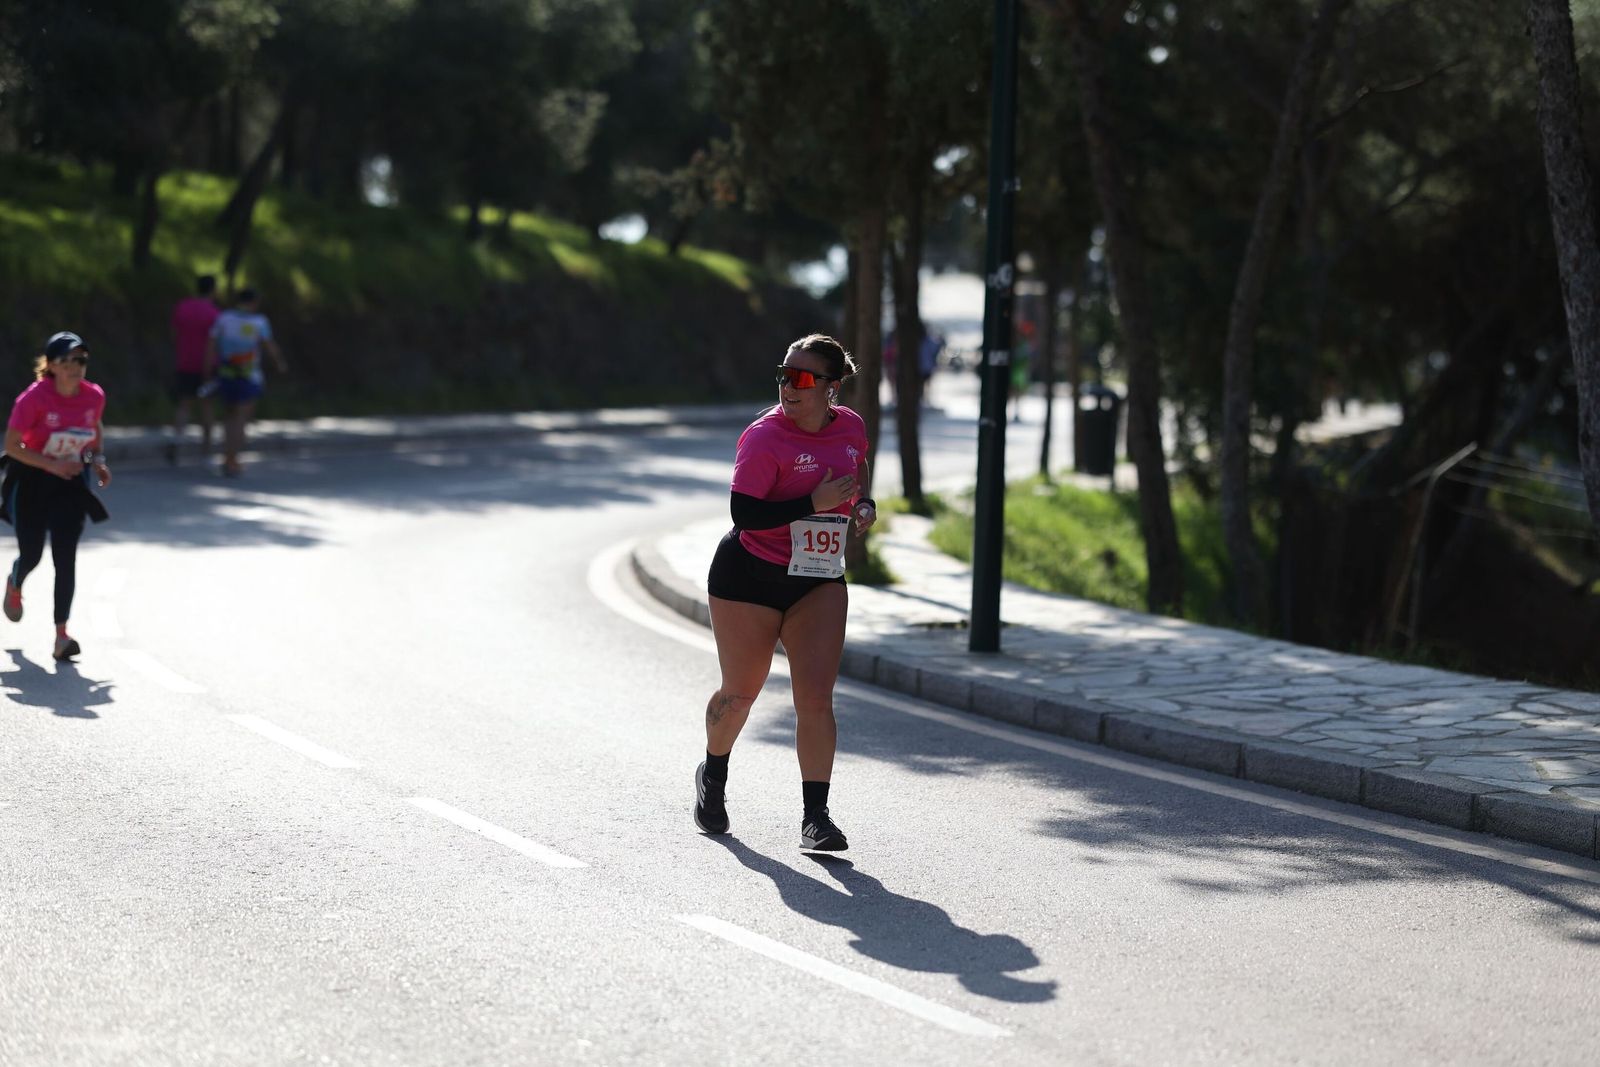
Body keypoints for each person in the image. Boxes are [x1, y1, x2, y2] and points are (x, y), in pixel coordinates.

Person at [693, 334, 878, 852]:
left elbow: (855, 470)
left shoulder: (852, 428)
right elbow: (744, 515)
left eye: (800, 378)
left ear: (831, 387)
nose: (787, 387)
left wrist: (861, 505)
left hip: (816, 578)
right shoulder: (763, 438)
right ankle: (713, 774)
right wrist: (811, 501)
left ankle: (816, 818)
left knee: (816, 699)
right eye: (783, 374)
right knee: (739, 696)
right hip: (748, 576)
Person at [1, 332, 112, 661]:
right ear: (51, 365)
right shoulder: (34, 398)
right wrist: (52, 464)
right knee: (32, 553)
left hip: (70, 484)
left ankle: (61, 636)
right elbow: (11, 446)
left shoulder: (93, 396)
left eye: (81, 360)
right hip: (33, 481)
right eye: (68, 361)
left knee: (66, 559)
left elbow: (95, 428)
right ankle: (15, 582)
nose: (76, 367)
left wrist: (98, 460)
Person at [207, 288, 287, 477]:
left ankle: (227, 456)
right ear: (255, 302)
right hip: (248, 377)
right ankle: (233, 459)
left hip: (226, 374)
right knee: (242, 419)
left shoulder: (224, 318)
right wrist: (280, 364)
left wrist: (208, 370)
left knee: (228, 417)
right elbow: (270, 346)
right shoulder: (259, 322)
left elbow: (211, 345)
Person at [168, 274, 220, 465]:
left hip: (185, 363)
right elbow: (213, 344)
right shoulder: (214, 313)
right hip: (207, 366)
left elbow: (174, 334)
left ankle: (176, 440)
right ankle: (206, 451)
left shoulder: (182, 307)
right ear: (213, 289)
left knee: (184, 404)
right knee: (207, 406)